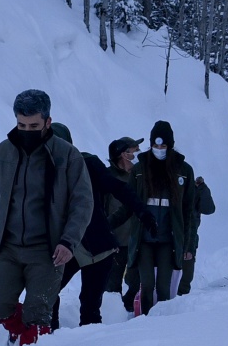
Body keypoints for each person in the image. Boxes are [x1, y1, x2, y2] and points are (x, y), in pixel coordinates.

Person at [0, 90, 92, 346]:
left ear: (47, 122)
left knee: (38, 313)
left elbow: (82, 202)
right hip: (6, 248)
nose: (27, 130)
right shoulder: (3, 152)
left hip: (48, 250)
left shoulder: (67, 155)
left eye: (34, 125)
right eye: (21, 125)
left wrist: (69, 241)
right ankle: (20, 331)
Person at [47, 125, 152, 327]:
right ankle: (50, 337)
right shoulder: (41, 168)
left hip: (97, 246)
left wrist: (141, 211)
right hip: (65, 246)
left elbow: (117, 188)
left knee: (90, 305)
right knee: (48, 291)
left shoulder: (87, 163)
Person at [128, 120, 200, 315]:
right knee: (147, 284)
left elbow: (189, 212)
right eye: (155, 145)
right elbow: (129, 204)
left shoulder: (183, 171)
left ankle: (161, 326)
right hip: (144, 239)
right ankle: (143, 321)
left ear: (170, 145)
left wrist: (188, 245)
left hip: (168, 240)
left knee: (163, 287)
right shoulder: (139, 169)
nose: (159, 149)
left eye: (163, 146)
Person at [106, 137, 145, 312]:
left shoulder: (140, 176)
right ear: (124, 154)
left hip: (138, 242)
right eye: (135, 150)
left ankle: (130, 313)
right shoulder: (106, 178)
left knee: (137, 283)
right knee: (111, 288)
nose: (138, 153)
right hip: (114, 244)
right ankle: (113, 317)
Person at [177, 175, 215, 295]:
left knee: (185, 278)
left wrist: (202, 188)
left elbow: (208, 209)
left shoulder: (196, 191)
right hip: (170, 239)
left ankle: (179, 304)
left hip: (190, 240)